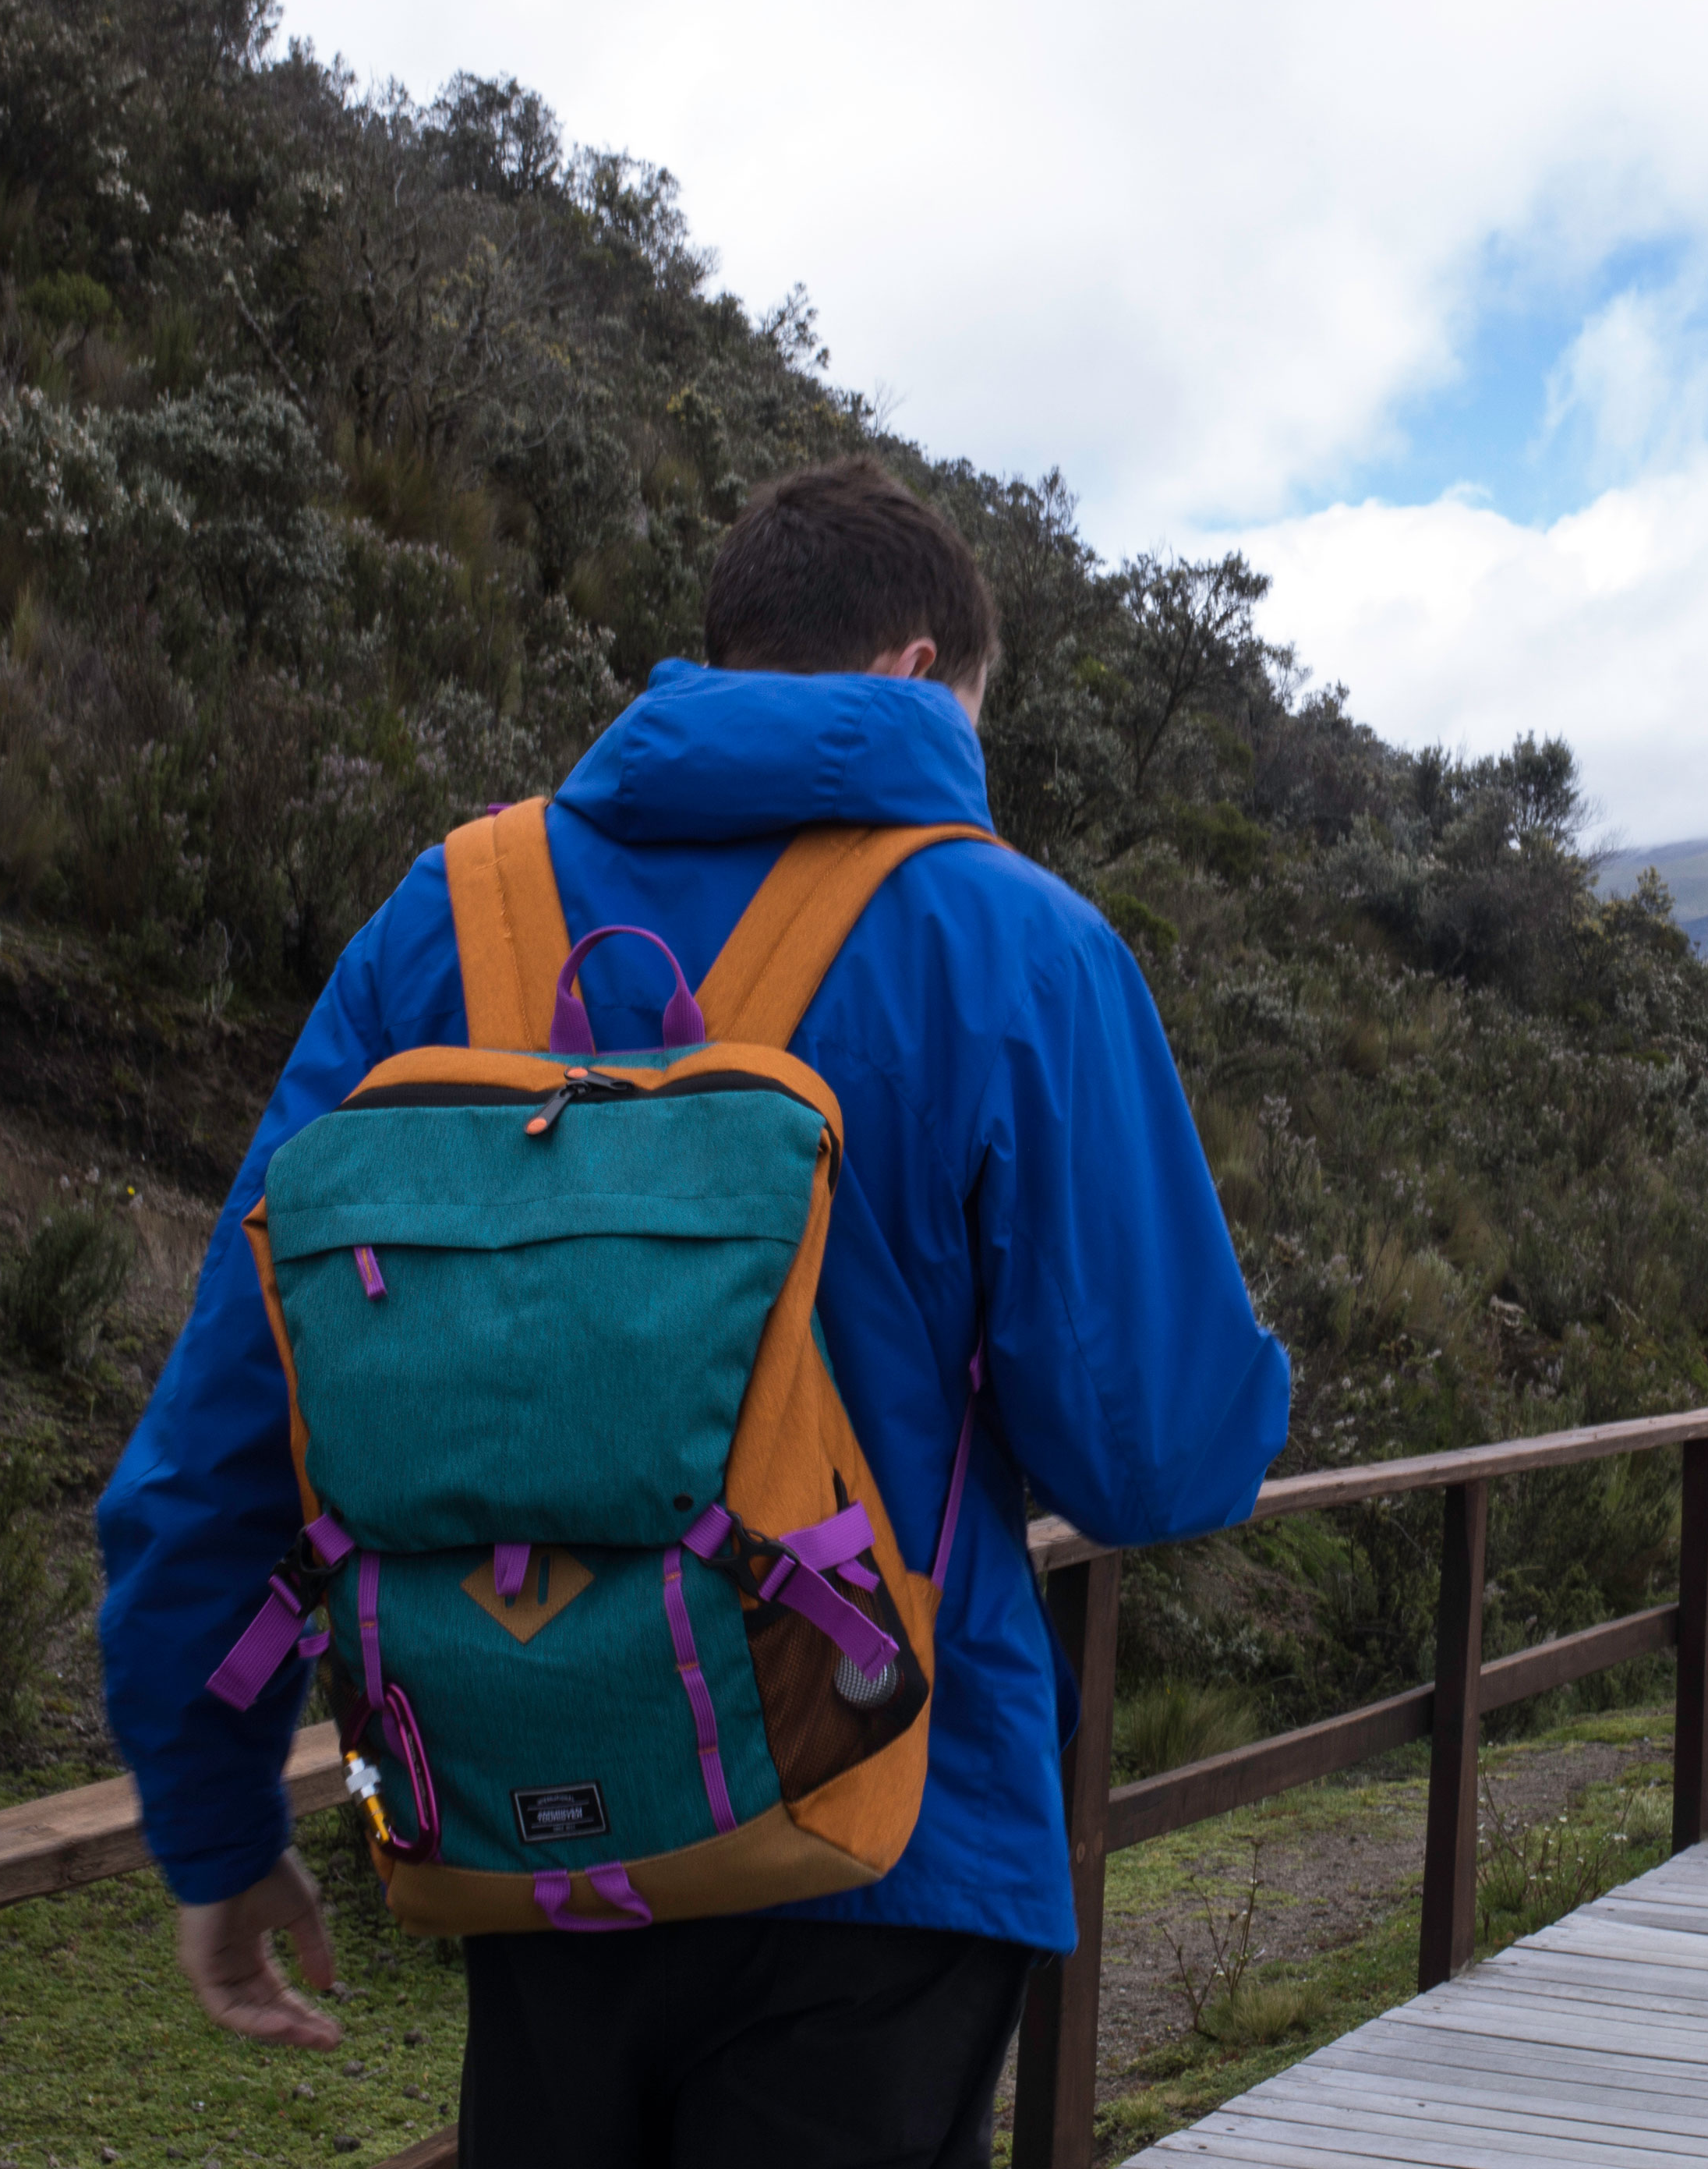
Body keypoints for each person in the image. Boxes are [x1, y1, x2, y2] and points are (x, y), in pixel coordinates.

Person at [96, 455, 1292, 2167]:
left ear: (723, 654)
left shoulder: (447, 916)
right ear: (911, 671)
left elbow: (221, 1434)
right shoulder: (1018, 943)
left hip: (528, 1816)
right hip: (892, 1833)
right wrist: (1250, 1384)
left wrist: (213, 1827)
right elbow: (1155, 1458)